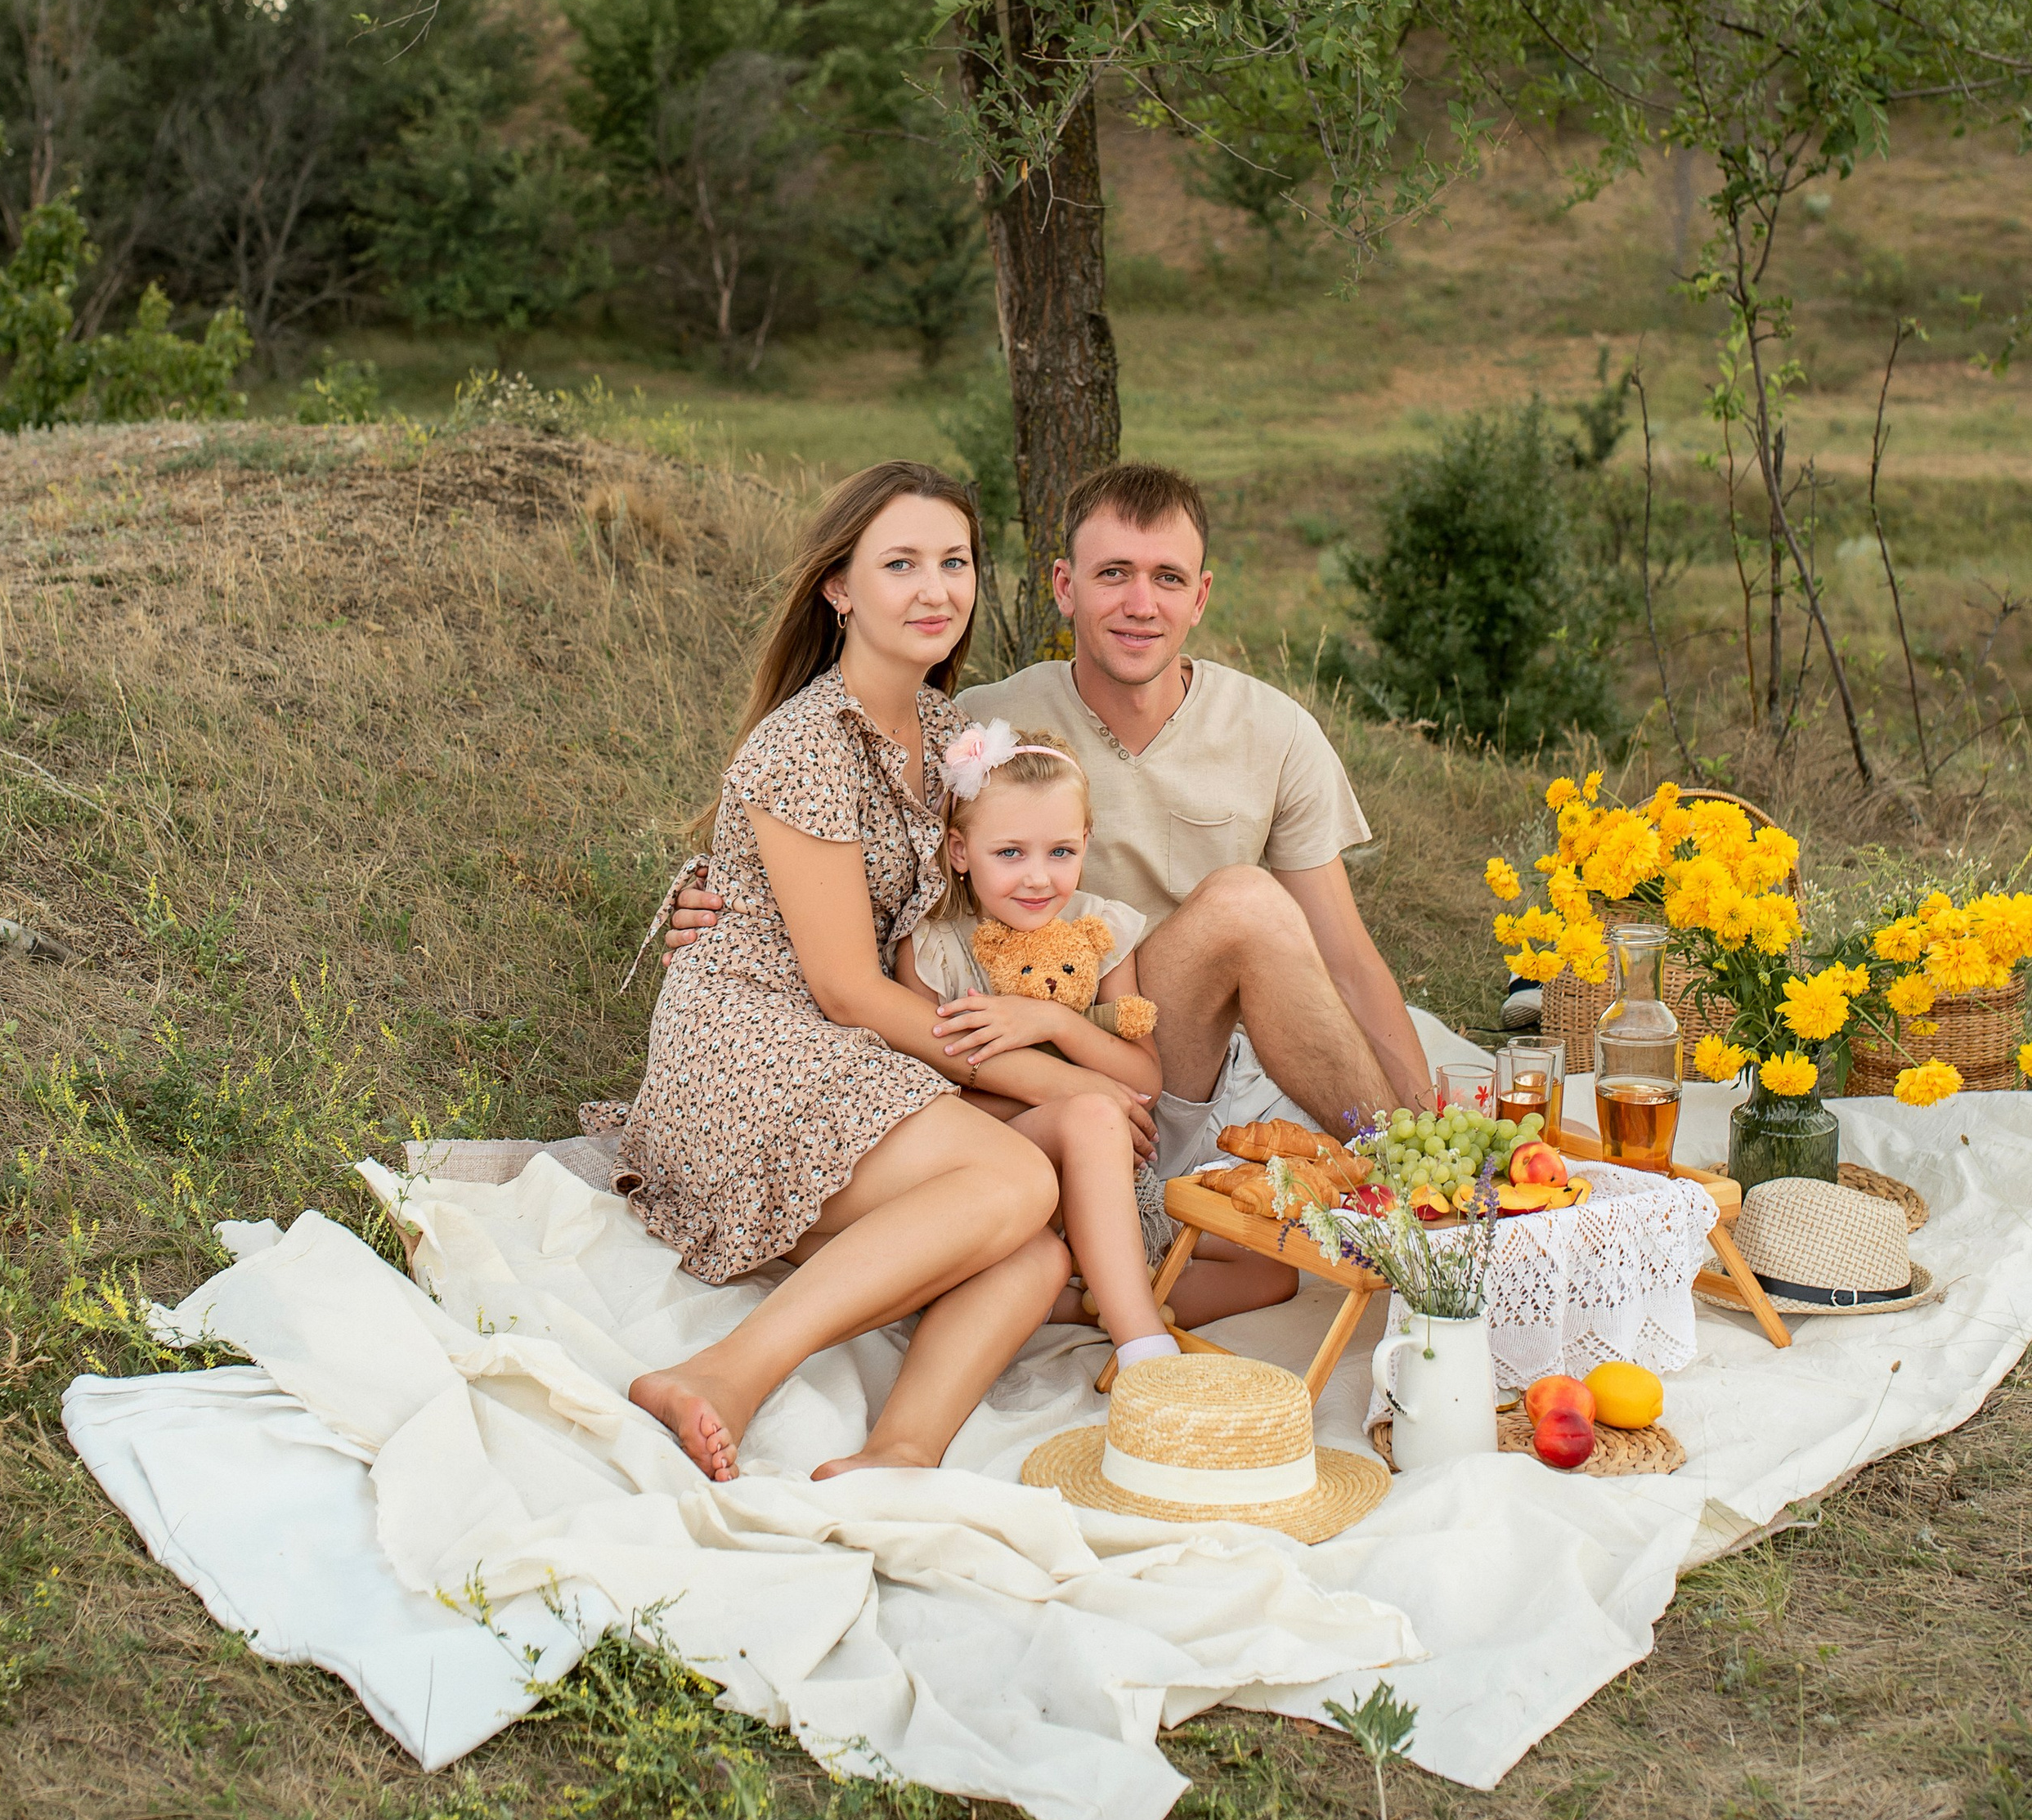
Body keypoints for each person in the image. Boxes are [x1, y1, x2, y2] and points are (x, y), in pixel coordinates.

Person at [612, 460, 1163, 1488]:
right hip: (755, 1045)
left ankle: (897, 1451)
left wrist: (1069, 1047)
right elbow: (847, 991)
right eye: (899, 562)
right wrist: (1063, 1082)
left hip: (871, 1050)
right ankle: (720, 1373)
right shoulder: (803, 747)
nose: (934, 589)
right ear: (840, 588)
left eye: (952, 561)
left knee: (1036, 1246)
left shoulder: (955, 737)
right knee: (1013, 1175)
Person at [670, 459, 1434, 1177]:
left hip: (1147, 1037)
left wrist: (1427, 1118)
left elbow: (1347, 960)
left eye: (1167, 578)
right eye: (1113, 575)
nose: (1141, 604)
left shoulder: (1273, 729)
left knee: (1247, 906)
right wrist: (713, 904)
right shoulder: (982, 730)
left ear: (1199, 597)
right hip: (1010, 1046)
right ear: (1064, 588)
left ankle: (1418, 1170)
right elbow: (848, 846)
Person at [898, 722, 1299, 1376]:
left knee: (1272, 1270)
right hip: (1002, 1162)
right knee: (1085, 1135)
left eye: (1060, 851)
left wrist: (1052, 1022)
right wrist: (1061, 1096)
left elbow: (1144, 1076)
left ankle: (1090, 1296)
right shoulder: (938, 949)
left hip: (1108, 1177)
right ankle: (1133, 1325)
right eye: (1010, 853)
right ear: (961, 850)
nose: (1037, 878)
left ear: (1086, 841)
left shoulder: (1098, 930)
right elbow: (923, 1096)